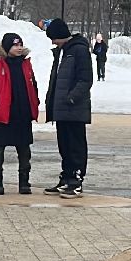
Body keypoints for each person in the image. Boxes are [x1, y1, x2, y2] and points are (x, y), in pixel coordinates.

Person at [0, 31, 40, 195]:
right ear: (7, 47)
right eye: (15, 45)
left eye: (20, 44)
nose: (19, 48)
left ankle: (24, 183)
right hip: (4, 117)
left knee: (24, 152)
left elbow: (33, 86)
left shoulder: (26, 65)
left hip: (23, 117)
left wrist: (34, 103)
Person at [44, 18, 94, 198]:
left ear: (61, 35)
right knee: (64, 145)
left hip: (74, 108)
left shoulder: (79, 50)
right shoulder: (61, 52)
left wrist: (72, 98)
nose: (52, 42)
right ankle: (66, 177)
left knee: (76, 146)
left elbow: (85, 79)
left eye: (53, 38)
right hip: (61, 109)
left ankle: (77, 180)